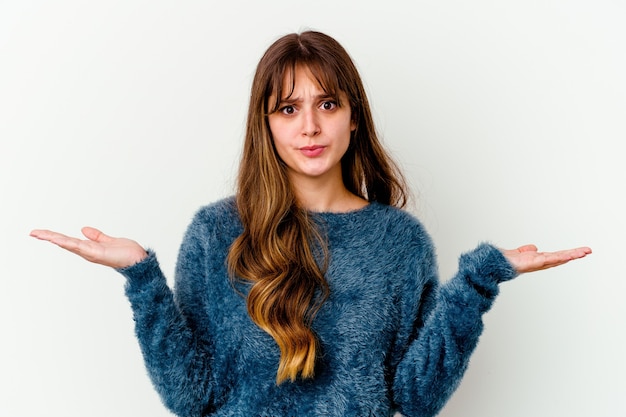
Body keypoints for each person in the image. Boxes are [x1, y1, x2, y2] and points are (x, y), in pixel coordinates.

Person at [30, 31, 591, 417]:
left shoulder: (398, 241)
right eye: (288, 108)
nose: (310, 127)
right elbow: (191, 396)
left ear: (353, 118)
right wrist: (141, 280)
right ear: (267, 125)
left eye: (327, 104)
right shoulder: (216, 232)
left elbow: (415, 397)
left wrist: (478, 282)